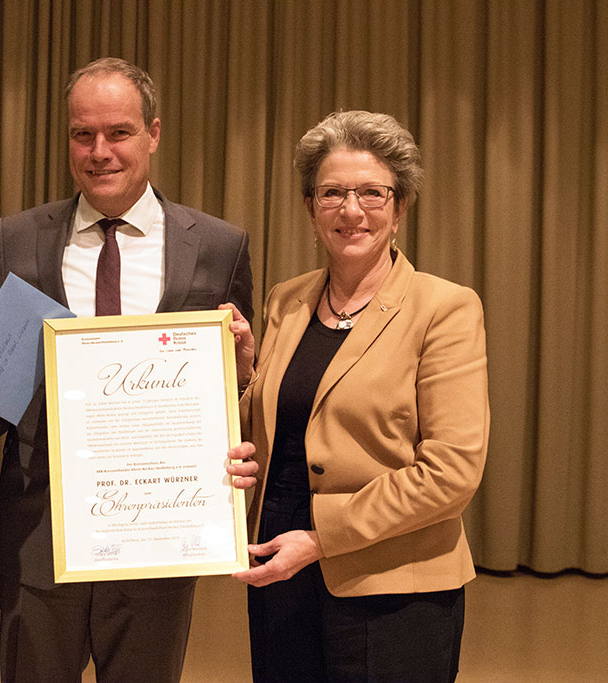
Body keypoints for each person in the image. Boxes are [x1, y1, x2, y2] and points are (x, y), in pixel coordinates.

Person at [0, 57, 258, 682]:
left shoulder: (219, 245)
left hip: (159, 536)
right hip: (39, 534)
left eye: (119, 132)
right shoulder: (20, 237)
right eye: (83, 134)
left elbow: (234, 385)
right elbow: (2, 393)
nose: (100, 151)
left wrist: (243, 375)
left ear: (154, 133)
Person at [234, 110, 490, 682]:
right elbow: (275, 432)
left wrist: (324, 536)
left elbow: (452, 471)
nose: (352, 211)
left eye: (372, 193)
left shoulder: (445, 309)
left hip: (395, 586)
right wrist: (245, 373)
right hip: (280, 566)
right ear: (309, 207)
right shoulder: (286, 299)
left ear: (400, 207)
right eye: (332, 193)